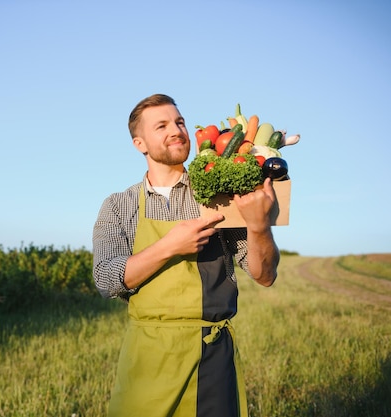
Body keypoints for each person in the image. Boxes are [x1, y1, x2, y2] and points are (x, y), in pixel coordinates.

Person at [92, 93, 280, 417]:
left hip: (210, 357)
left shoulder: (219, 196)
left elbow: (264, 275)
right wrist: (170, 246)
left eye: (179, 122)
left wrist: (260, 227)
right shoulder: (118, 206)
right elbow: (107, 279)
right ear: (140, 143)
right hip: (147, 356)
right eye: (161, 125)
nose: (176, 130)